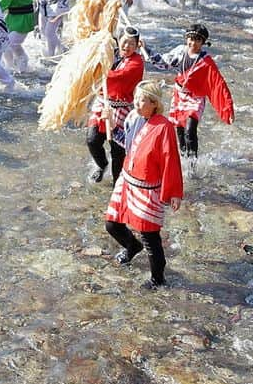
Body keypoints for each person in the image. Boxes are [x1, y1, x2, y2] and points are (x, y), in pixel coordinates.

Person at [104, 80, 184, 290]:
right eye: (136, 99)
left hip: (147, 189)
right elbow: (127, 145)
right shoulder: (135, 118)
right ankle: (132, 246)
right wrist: (111, 124)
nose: (136, 104)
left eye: (141, 101)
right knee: (112, 224)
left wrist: (174, 192)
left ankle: (158, 279)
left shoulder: (164, 127)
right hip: (127, 181)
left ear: (154, 103)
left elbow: (171, 159)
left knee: (150, 237)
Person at [146, 24, 235, 168]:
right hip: (179, 95)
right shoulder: (181, 52)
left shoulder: (205, 61)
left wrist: (228, 108)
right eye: (190, 39)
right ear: (186, 39)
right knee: (179, 130)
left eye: (197, 40)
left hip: (195, 98)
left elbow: (219, 84)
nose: (193, 43)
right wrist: (147, 49)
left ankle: (192, 164)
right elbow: (163, 63)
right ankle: (183, 160)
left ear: (203, 42)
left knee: (190, 129)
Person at [87, 31, 145, 185]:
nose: (127, 46)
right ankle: (102, 165)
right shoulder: (109, 53)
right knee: (92, 140)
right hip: (102, 102)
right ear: (118, 40)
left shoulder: (137, 62)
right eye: (124, 42)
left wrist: (100, 70)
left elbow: (119, 76)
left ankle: (117, 185)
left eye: (132, 43)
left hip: (122, 108)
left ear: (137, 45)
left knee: (117, 150)